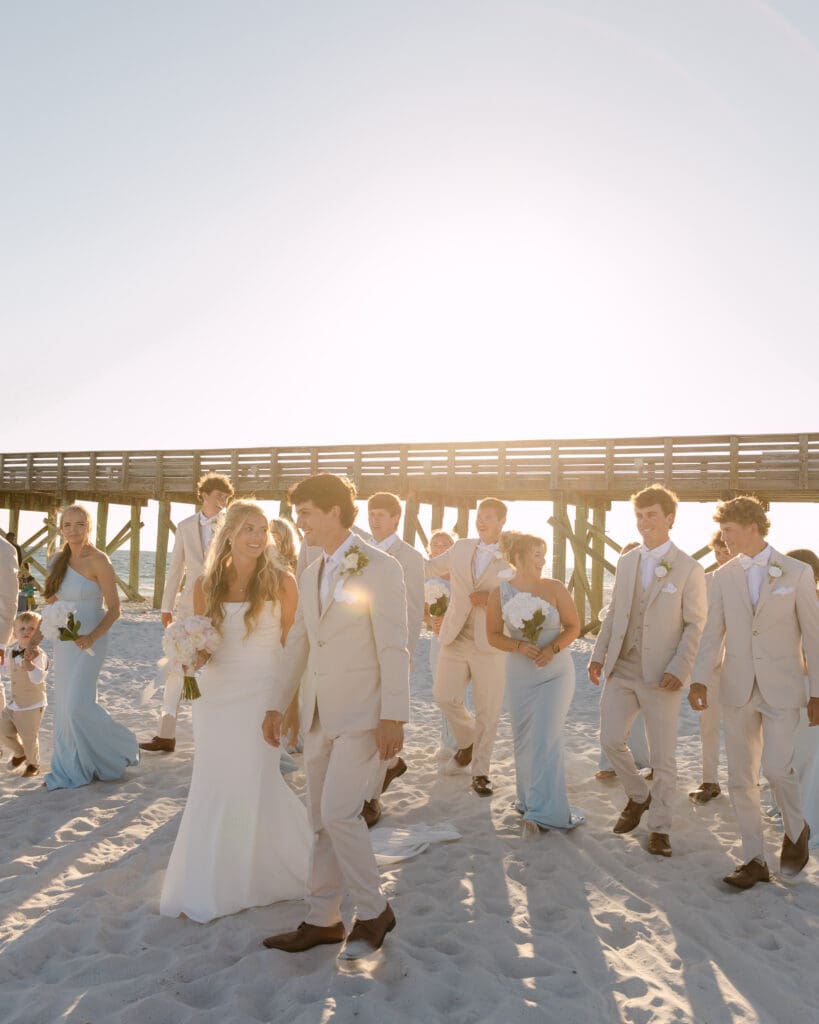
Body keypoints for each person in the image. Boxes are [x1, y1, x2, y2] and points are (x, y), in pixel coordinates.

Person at [261, 474, 409, 960]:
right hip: (318, 714)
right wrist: (277, 703)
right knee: (319, 819)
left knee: (339, 812)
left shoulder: (381, 567)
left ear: (333, 511)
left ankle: (374, 910)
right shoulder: (310, 572)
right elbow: (300, 643)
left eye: (305, 512)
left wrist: (394, 715)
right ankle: (322, 919)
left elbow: (394, 645)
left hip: (364, 711)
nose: (299, 522)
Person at [160, 501, 310, 923]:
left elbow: (293, 647)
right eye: (248, 528)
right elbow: (207, 642)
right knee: (213, 780)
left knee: (254, 779)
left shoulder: (283, 581)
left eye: (262, 529)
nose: (257, 537)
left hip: (263, 693)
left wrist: (290, 706)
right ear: (228, 534)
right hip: (215, 697)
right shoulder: (205, 584)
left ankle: (255, 874)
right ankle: (212, 878)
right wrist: (190, 656)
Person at [690, 498, 819, 889]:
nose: (724, 538)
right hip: (737, 688)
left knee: (777, 769)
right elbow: (713, 632)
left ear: (752, 526)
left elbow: (813, 636)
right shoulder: (721, 578)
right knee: (740, 778)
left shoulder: (796, 572)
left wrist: (817, 691)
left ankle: (796, 829)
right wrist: (699, 678)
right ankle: (754, 859)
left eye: (729, 530)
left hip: (783, 688)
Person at [589, 486, 706, 858]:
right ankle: (639, 795)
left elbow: (695, 625)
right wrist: (598, 654)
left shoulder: (689, 568)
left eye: (651, 515)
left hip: (662, 674)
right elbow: (616, 612)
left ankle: (660, 829)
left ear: (670, 518)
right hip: (622, 667)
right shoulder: (627, 562)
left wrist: (680, 667)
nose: (644, 522)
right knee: (610, 739)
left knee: (662, 758)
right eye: (639, 516)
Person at [487, 532, 584, 834]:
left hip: (556, 672)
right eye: (536, 554)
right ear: (517, 557)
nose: (542, 560)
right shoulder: (499, 593)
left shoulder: (554, 587)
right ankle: (529, 800)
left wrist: (551, 649)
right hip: (520, 674)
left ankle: (545, 812)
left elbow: (574, 627)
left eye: (544, 554)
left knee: (545, 736)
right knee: (525, 738)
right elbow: (493, 635)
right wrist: (518, 645)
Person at [40, 505, 138, 790]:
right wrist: (35, 639)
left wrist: (92, 637)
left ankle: (122, 747)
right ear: (61, 529)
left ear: (89, 527)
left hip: (91, 640)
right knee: (64, 707)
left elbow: (115, 609)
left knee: (77, 706)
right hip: (65, 641)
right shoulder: (57, 560)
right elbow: (51, 603)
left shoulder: (99, 560)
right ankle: (71, 765)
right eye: (68, 525)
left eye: (79, 524)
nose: (73, 530)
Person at [424, 497, 512, 797]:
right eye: (479, 516)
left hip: (491, 641)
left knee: (488, 709)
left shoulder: (512, 554)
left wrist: (491, 600)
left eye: (489, 517)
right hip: (455, 635)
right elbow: (429, 567)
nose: (481, 521)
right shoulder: (461, 547)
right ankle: (469, 739)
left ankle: (481, 773)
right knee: (443, 696)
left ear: (502, 521)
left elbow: (522, 591)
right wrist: (391, 557)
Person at [141, 472, 234, 753]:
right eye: (218, 496)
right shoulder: (184, 526)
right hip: (189, 607)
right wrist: (166, 606)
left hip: (226, 604)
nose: (222, 501)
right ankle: (165, 734)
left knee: (223, 666)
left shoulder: (232, 524)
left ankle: (224, 733)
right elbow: (176, 568)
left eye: (226, 497)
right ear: (203, 495)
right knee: (176, 668)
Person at [360, 492, 425, 825]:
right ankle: (391, 765)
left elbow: (412, 611)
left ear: (396, 518)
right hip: (359, 650)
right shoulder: (359, 550)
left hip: (392, 651)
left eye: (382, 515)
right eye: (371, 514)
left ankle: (370, 797)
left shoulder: (410, 557)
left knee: (382, 720)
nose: (375, 520)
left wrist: (404, 655)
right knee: (364, 720)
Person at [595, 541, 650, 781]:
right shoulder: (621, 586)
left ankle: (644, 762)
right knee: (611, 714)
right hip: (618, 661)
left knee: (640, 717)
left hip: (646, 661)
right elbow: (608, 618)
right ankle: (608, 764)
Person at [688, 530, 732, 804]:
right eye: (717, 553)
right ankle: (710, 780)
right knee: (708, 725)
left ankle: (751, 780)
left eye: (726, 551)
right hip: (711, 665)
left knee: (747, 730)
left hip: (743, 665)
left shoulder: (752, 579)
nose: (722, 557)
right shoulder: (706, 581)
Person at [0, 611, 48, 776]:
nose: (26, 631)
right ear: (15, 632)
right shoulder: (13, 651)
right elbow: (7, 670)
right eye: (22, 628)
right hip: (15, 703)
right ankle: (20, 753)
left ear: (39, 633)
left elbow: (39, 678)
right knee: (2, 729)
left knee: (29, 737)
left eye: (32, 628)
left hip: (32, 704)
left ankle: (33, 765)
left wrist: (31, 667)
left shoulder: (39, 654)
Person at [425, 529, 459, 758]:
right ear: (430, 551)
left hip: (462, 639)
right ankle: (448, 741)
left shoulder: (462, 575)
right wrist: (432, 621)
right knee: (441, 689)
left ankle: (461, 740)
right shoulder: (427, 579)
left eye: (444, 544)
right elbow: (422, 611)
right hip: (438, 640)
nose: (439, 547)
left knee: (457, 691)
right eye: (435, 544)